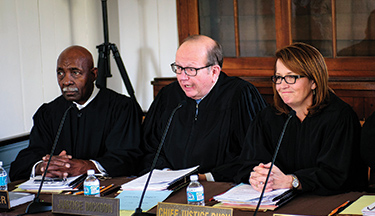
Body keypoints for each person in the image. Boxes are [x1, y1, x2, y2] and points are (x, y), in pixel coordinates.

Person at [234, 42, 367, 195]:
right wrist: (257, 176)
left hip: (330, 202)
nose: (282, 85)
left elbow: (337, 176)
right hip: (276, 200)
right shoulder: (268, 117)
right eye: (278, 77)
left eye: (291, 77)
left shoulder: (340, 117)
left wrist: (292, 181)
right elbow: (247, 165)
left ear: (314, 81)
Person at [141, 35, 267, 182]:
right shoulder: (168, 96)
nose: (182, 77)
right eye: (179, 68)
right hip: (169, 187)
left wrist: (206, 177)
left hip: (220, 187)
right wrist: (166, 172)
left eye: (190, 69)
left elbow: (254, 155)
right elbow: (149, 146)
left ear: (214, 71)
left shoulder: (240, 95)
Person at [10, 45, 143, 181]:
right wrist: (43, 167)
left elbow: (128, 158)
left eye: (75, 72)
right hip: (55, 195)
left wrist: (88, 166)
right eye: (60, 73)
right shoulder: (49, 113)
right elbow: (23, 161)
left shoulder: (121, 107)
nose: (66, 81)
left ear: (94, 74)